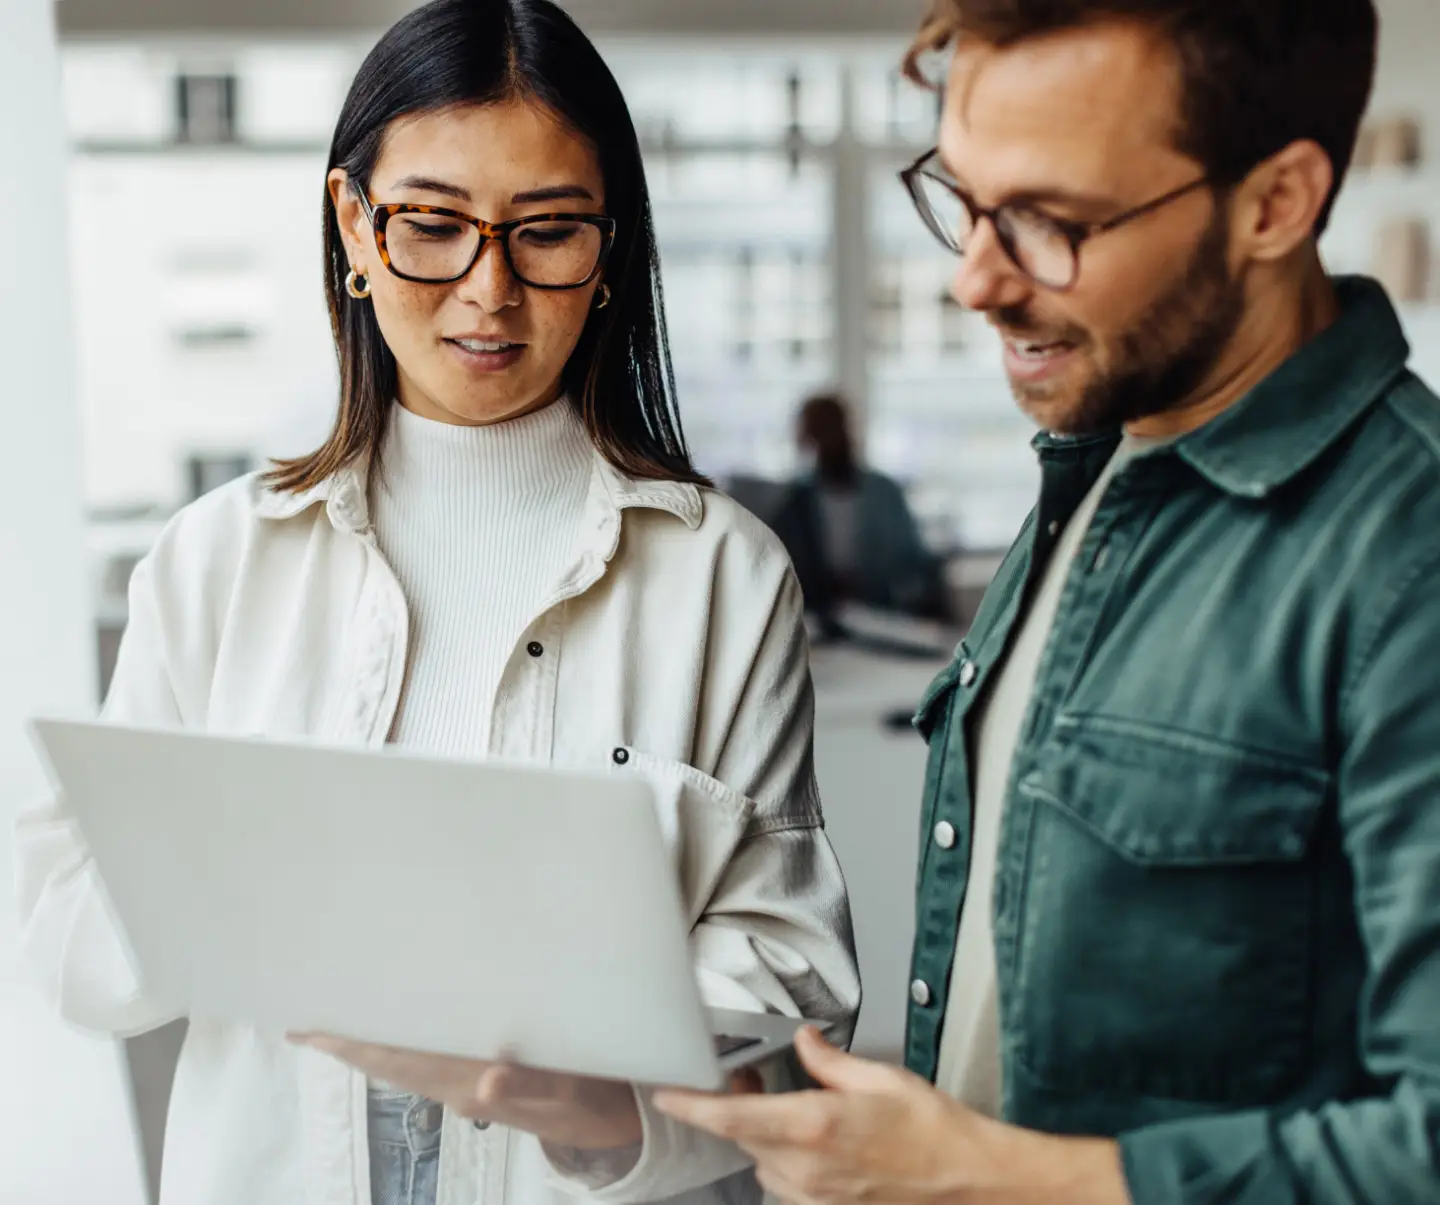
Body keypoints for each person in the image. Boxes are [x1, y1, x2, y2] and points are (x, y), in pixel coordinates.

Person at [13, 4, 860, 1205]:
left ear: (610, 247)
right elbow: (71, 950)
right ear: (354, 226)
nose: (490, 290)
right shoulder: (212, 562)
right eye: (432, 225)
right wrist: (247, 862)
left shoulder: (724, 575)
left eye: (550, 232)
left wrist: (596, 1102)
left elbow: (794, 981)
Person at [656, 1, 1440, 1202]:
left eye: (1047, 221)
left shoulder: (1409, 561)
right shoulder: (1095, 466)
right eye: (965, 201)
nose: (974, 279)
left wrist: (992, 1178)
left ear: (1275, 203)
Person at [770, 394, 951, 625]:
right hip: (819, 619)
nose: (827, 442)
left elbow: (913, 560)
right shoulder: (797, 497)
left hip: (883, 615)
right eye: (817, 434)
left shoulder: (884, 492)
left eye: (830, 430)